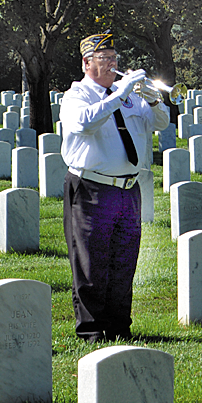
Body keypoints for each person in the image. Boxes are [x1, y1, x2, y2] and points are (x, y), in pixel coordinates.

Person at [59, 32, 171, 342]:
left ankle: (120, 327)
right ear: (86, 63)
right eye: (104, 59)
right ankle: (92, 331)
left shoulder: (130, 96)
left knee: (124, 260)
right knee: (91, 263)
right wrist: (119, 93)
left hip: (128, 190)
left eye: (114, 59)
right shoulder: (77, 95)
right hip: (92, 187)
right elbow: (84, 124)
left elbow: (158, 123)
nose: (112, 64)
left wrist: (153, 99)